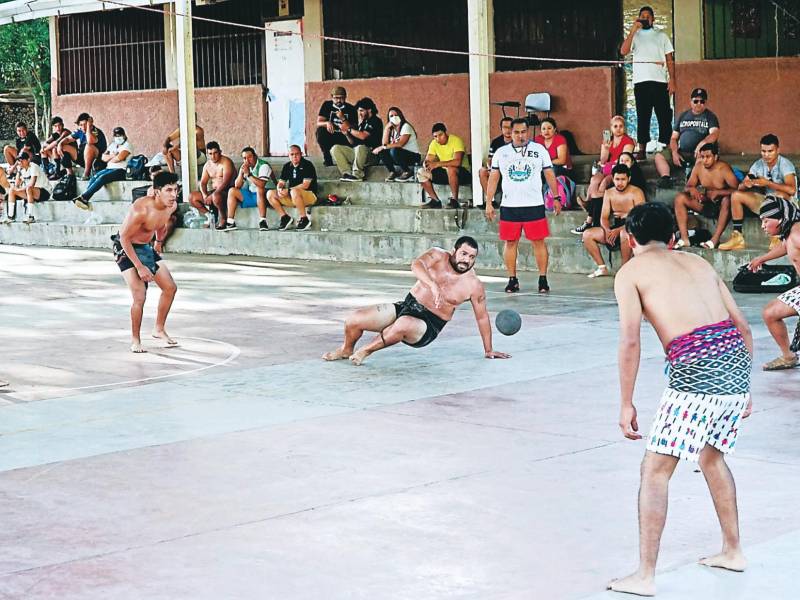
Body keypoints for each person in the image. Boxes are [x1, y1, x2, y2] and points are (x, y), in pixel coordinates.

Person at [610, 202, 752, 597]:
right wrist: (744, 387)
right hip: (735, 366)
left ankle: (645, 575)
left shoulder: (630, 272)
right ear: (672, 236)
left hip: (697, 371)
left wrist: (626, 403)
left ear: (628, 237)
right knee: (710, 456)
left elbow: (630, 339)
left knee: (654, 470)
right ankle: (733, 550)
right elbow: (741, 325)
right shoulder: (699, 263)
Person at [322, 237, 510, 366]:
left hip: (429, 325)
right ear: (454, 251)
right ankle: (346, 350)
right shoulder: (437, 255)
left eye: (471, 257)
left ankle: (366, 351)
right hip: (408, 306)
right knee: (354, 319)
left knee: (403, 324)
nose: (466, 260)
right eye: (463, 254)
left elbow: (482, 318)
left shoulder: (473, 285)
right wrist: (432, 285)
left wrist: (489, 349)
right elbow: (416, 265)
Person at [485, 117, 561, 294]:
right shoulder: (501, 153)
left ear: (528, 132)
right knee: (510, 242)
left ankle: (543, 279)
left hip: (534, 204)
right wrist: (488, 202)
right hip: (510, 205)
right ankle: (512, 279)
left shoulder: (539, 150)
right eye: (516, 132)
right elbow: (493, 178)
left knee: (538, 242)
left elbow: (549, 173)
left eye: (523, 132)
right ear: (510, 133)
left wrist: (556, 197)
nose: (520, 136)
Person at [113, 170, 180, 354]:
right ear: (156, 191)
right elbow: (124, 238)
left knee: (170, 287)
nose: (174, 195)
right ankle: (135, 339)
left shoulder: (170, 206)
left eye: (176, 190)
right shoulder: (140, 209)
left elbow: (161, 224)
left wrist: (158, 242)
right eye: (168, 190)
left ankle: (158, 329)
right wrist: (140, 267)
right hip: (125, 248)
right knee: (140, 295)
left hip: (146, 247)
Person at [746, 197, 800, 370]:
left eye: (766, 220)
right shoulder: (790, 233)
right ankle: (788, 356)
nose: (763, 226)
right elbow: (785, 247)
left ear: (781, 219)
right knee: (770, 313)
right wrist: (761, 259)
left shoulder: (798, 234)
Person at [719, 134, 797, 251]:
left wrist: (767, 183)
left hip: (788, 205)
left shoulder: (785, 164)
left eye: (770, 151)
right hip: (768, 203)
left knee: (778, 196)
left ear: (777, 150)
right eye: (763, 151)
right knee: (736, 195)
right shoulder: (758, 164)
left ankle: (777, 237)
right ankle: (737, 238)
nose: (766, 155)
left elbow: (792, 190)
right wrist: (746, 184)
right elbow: (740, 187)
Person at [620, 5, 675, 159]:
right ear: (638, 18)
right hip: (641, 82)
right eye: (642, 16)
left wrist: (673, 80)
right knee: (643, 115)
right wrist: (632, 31)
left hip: (659, 81)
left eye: (648, 16)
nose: (645, 18)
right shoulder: (635, 36)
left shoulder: (661, 35)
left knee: (664, 115)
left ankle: (667, 146)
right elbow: (623, 51)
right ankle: (642, 148)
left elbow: (669, 59)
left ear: (653, 19)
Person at [583, 164, 645, 278]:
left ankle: (624, 269)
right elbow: (604, 217)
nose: (620, 183)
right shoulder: (609, 193)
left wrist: (619, 230)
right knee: (587, 234)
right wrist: (607, 230)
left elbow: (639, 217)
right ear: (612, 178)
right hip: (615, 225)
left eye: (623, 179)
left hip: (633, 226)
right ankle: (602, 268)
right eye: (617, 179)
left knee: (624, 233)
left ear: (629, 179)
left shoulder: (636, 192)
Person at [673, 143, 738, 250]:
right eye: (702, 157)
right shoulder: (698, 167)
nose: (704, 160)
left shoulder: (724, 169)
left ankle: (715, 239)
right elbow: (687, 186)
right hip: (706, 203)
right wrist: (692, 189)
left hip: (723, 207)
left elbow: (737, 190)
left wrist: (719, 193)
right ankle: (685, 239)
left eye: (708, 157)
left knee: (727, 200)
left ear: (716, 157)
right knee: (680, 198)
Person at [578, 117, 636, 233]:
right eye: (615, 126)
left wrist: (609, 165)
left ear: (624, 128)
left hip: (618, 170)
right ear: (611, 128)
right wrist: (605, 148)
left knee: (603, 183)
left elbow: (624, 160)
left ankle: (592, 215)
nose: (618, 129)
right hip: (607, 167)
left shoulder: (628, 141)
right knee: (594, 180)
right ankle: (589, 202)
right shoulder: (608, 140)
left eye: (621, 126)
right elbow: (603, 160)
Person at [654, 88, 720, 188]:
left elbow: (714, 134)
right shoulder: (683, 115)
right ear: (691, 101)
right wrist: (674, 152)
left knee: (705, 158)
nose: (699, 103)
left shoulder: (710, 116)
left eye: (702, 101)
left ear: (705, 103)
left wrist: (702, 144)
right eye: (695, 101)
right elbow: (673, 138)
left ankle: (693, 177)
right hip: (682, 151)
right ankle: (665, 178)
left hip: (699, 153)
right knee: (659, 156)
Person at [571, 151, 646, 236]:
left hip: (628, 206)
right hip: (614, 201)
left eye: (627, 160)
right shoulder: (616, 173)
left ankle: (589, 221)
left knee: (597, 199)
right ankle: (591, 223)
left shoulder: (636, 175)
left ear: (632, 162)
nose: (624, 162)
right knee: (597, 199)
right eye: (621, 160)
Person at [72, 126, 132, 210]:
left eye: (120, 135)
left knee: (102, 178)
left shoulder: (127, 145)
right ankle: (84, 197)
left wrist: (111, 157)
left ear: (124, 135)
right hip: (109, 168)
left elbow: (118, 159)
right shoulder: (113, 145)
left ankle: (84, 197)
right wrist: (113, 156)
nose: (118, 138)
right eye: (116, 136)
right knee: (95, 176)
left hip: (121, 170)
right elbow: (103, 158)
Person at [417, 122, 472, 209]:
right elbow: (428, 160)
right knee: (421, 172)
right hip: (445, 174)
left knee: (451, 169)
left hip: (462, 174)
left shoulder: (456, 141)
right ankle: (435, 200)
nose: (438, 138)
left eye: (440, 135)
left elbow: (457, 162)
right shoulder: (434, 143)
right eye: (435, 136)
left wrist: (437, 164)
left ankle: (454, 200)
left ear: (446, 133)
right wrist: (426, 164)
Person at [266, 145, 317, 231]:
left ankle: (304, 219)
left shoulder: (308, 165)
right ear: (288, 155)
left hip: (309, 196)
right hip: (294, 197)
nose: (294, 156)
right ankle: (285, 217)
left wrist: (289, 191)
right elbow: (281, 182)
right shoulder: (287, 166)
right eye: (292, 154)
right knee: (270, 193)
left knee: (294, 191)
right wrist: (279, 189)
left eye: (297, 154)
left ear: (301, 154)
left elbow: (305, 185)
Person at [225, 147, 277, 232]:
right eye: (244, 158)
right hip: (253, 195)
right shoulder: (245, 167)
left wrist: (249, 175)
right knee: (232, 191)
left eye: (250, 157)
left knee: (259, 189)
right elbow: (237, 186)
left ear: (255, 156)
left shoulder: (263, 165)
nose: (247, 160)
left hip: (267, 195)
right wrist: (241, 173)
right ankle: (230, 222)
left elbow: (261, 184)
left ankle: (262, 221)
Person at [332, 97, 383, 182]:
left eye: (362, 110)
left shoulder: (375, 121)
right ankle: (347, 173)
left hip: (372, 156)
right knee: (335, 148)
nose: (359, 113)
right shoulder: (363, 123)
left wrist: (348, 129)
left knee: (360, 147)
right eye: (359, 111)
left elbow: (363, 136)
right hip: (359, 154)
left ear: (369, 110)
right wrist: (347, 134)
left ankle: (357, 175)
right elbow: (353, 143)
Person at [187, 141, 236, 230]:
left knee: (216, 196)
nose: (213, 156)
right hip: (214, 192)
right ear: (207, 154)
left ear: (220, 152)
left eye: (215, 153)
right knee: (192, 197)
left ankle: (223, 218)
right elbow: (203, 183)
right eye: (210, 154)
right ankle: (210, 216)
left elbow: (226, 182)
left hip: (226, 191)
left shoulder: (226, 162)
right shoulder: (207, 165)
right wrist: (205, 195)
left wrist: (213, 195)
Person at [374, 106, 421, 182]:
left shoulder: (406, 126)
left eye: (396, 115)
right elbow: (384, 144)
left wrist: (383, 147)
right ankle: (392, 172)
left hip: (413, 156)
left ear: (400, 116)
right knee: (382, 152)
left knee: (394, 150)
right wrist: (386, 129)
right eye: (391, 116)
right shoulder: (392, 129)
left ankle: (407, 172)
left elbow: (400, 144)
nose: (394, 117)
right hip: (399, 156)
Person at [316, 86, 358, 166]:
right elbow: (319, 122)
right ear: (332, 97)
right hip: (331, 134)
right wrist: (327, 123)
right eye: (336, 98)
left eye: (341, 98)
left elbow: (354, 128)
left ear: (345, 97)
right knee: (320, 131)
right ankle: (327, 158)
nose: (339, 100)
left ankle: (347, 158)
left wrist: (343, 119)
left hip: (345, 136)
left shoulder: (351, 109)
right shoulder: (327, 105)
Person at [5, 152, 51, 224]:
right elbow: (16, 185)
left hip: (44, 192)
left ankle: (30, 216)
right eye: (19, 160)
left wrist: (19, 189)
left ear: (28, 160)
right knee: (12, 190)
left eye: (22, 160)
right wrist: (18, 173)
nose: (20, 162)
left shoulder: (34, 166)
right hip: (30, 193)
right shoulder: (21, 169)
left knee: (28, 188)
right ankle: (10, 217)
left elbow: (31, 184)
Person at [60, 113, 108, 179]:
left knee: (89, 146)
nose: (83, 127)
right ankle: (70, 173)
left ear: (89, 123)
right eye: (81, 125)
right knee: (63, 146)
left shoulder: (96, 131)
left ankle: (86, 174)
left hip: (95, 160)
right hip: (82, 157)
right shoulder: (80, 130)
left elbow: (89, 141)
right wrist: (60, 144)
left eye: (85, 124)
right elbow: (68, 139)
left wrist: (88, 127)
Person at [478, 117, 513, 200]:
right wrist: (492, 169)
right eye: (505, 127)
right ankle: (490, 200)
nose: (508, 130)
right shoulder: (496, 142)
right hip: (498, 170)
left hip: (512, 171)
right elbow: (490, 159)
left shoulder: (518, 141)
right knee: (482, 171)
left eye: (510, 127)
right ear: (501, 128)